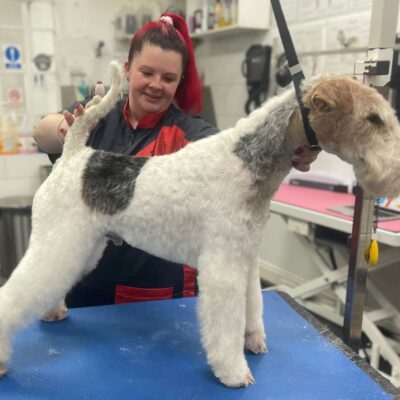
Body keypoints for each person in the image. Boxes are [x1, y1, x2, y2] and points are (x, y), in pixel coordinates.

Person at [33, 13, 319, 308]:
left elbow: (241, 163)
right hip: (84, 295)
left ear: (180, 81)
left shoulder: (194, 135)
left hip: (154, 299)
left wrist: (293, 147)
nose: (156, 85)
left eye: (168, 78)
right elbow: (41, 134)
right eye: (147, 72)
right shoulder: (97, 117)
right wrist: (64, 128)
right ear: (129, 69)